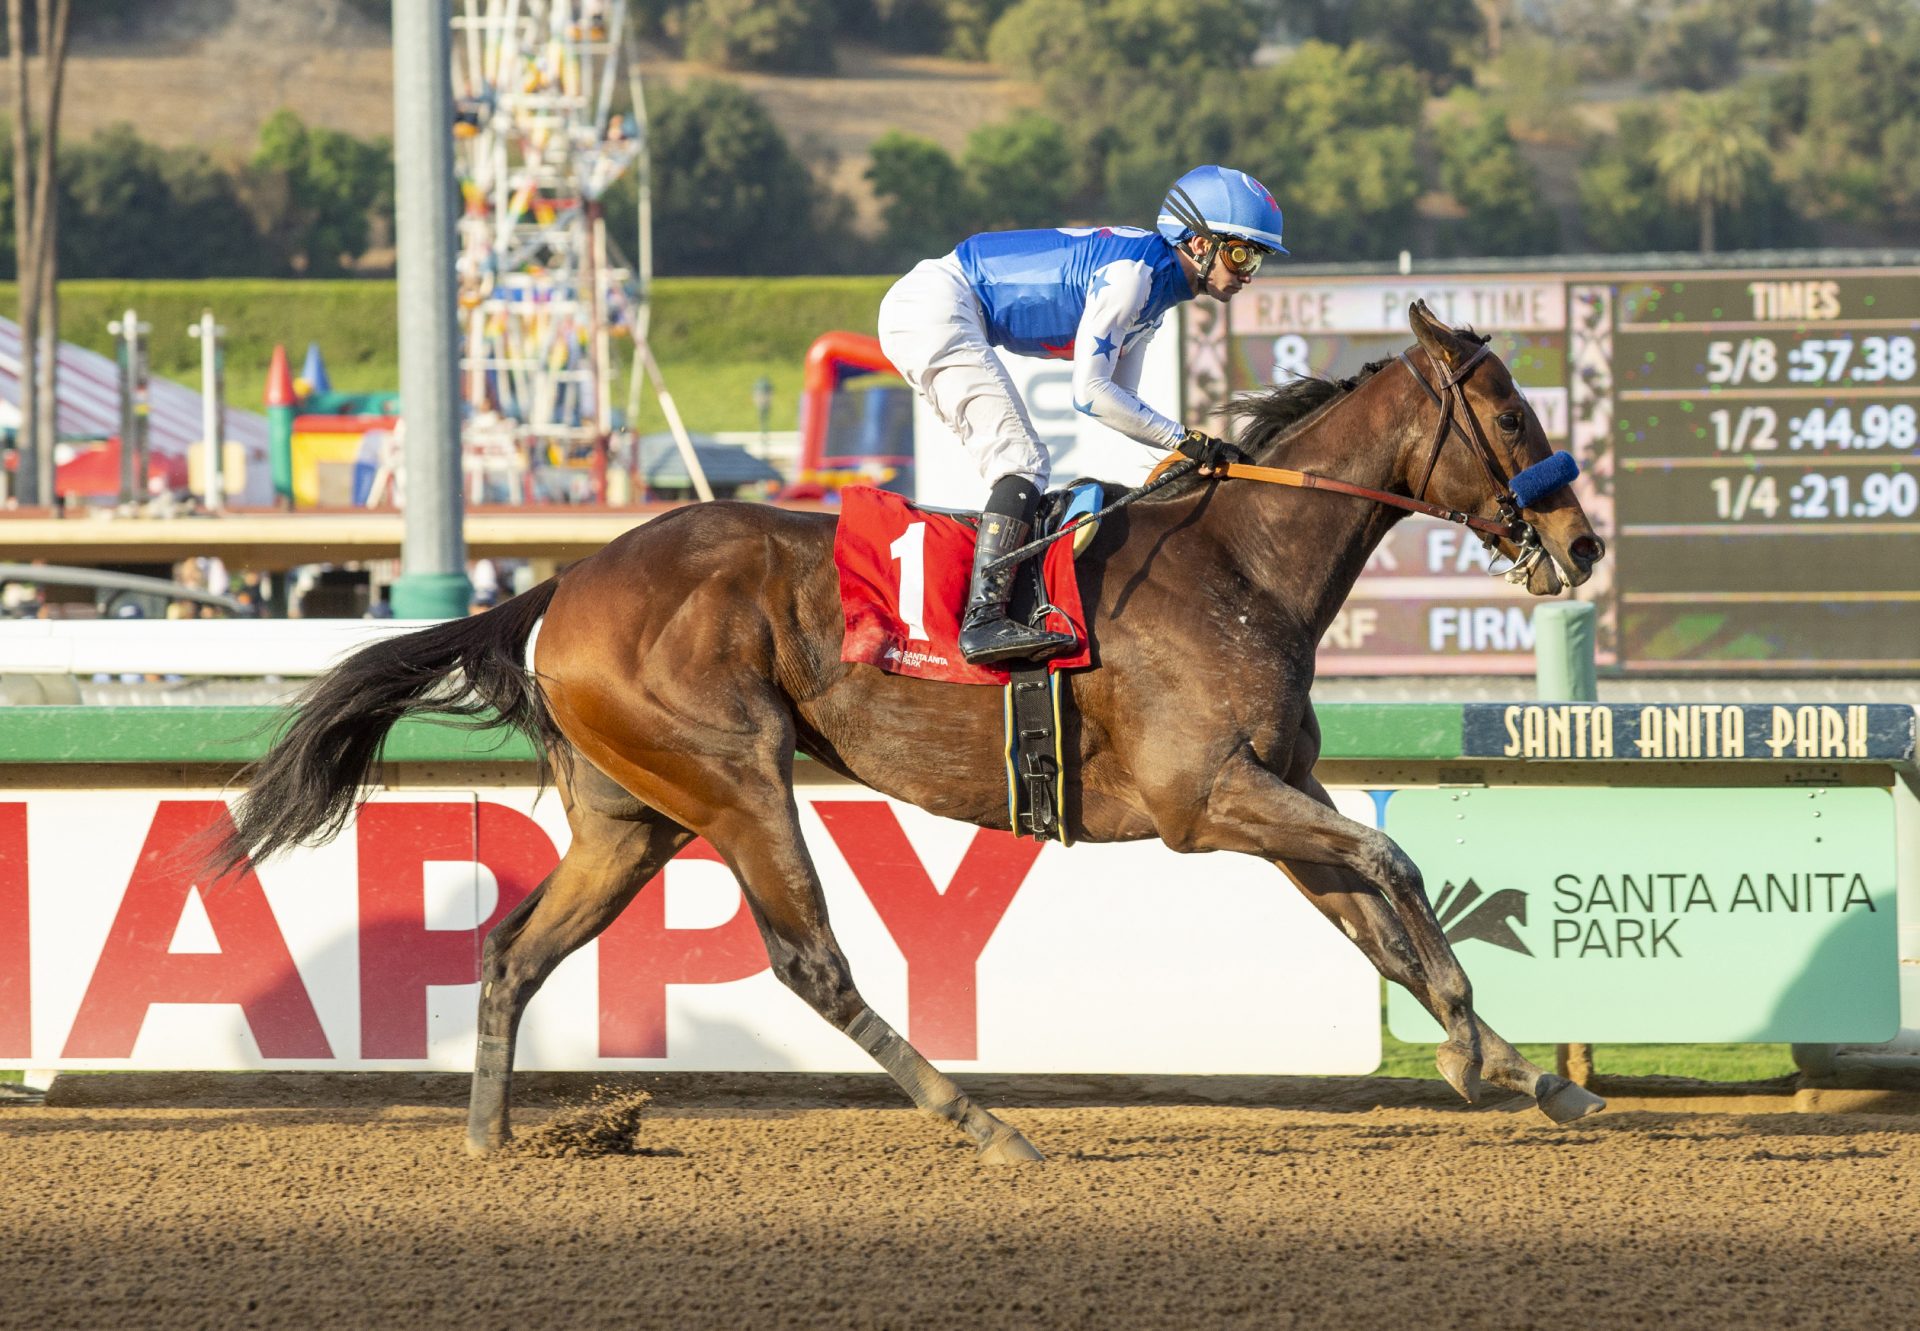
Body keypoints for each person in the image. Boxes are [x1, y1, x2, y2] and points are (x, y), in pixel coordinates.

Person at [878, 164, 1288, 666]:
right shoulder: (1135, 276)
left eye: (1257, 258)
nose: (1248, 271)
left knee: (1023, 461)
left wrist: (1190, 447)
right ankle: (982, 619)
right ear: (1199, 244)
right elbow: (1091, 393)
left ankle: (994, 607)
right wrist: (1188, 439)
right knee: (1021, 460)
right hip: (934, 306)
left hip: (944, 306)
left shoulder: (1154, 297)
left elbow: (1122, 403)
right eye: (1241, 252)